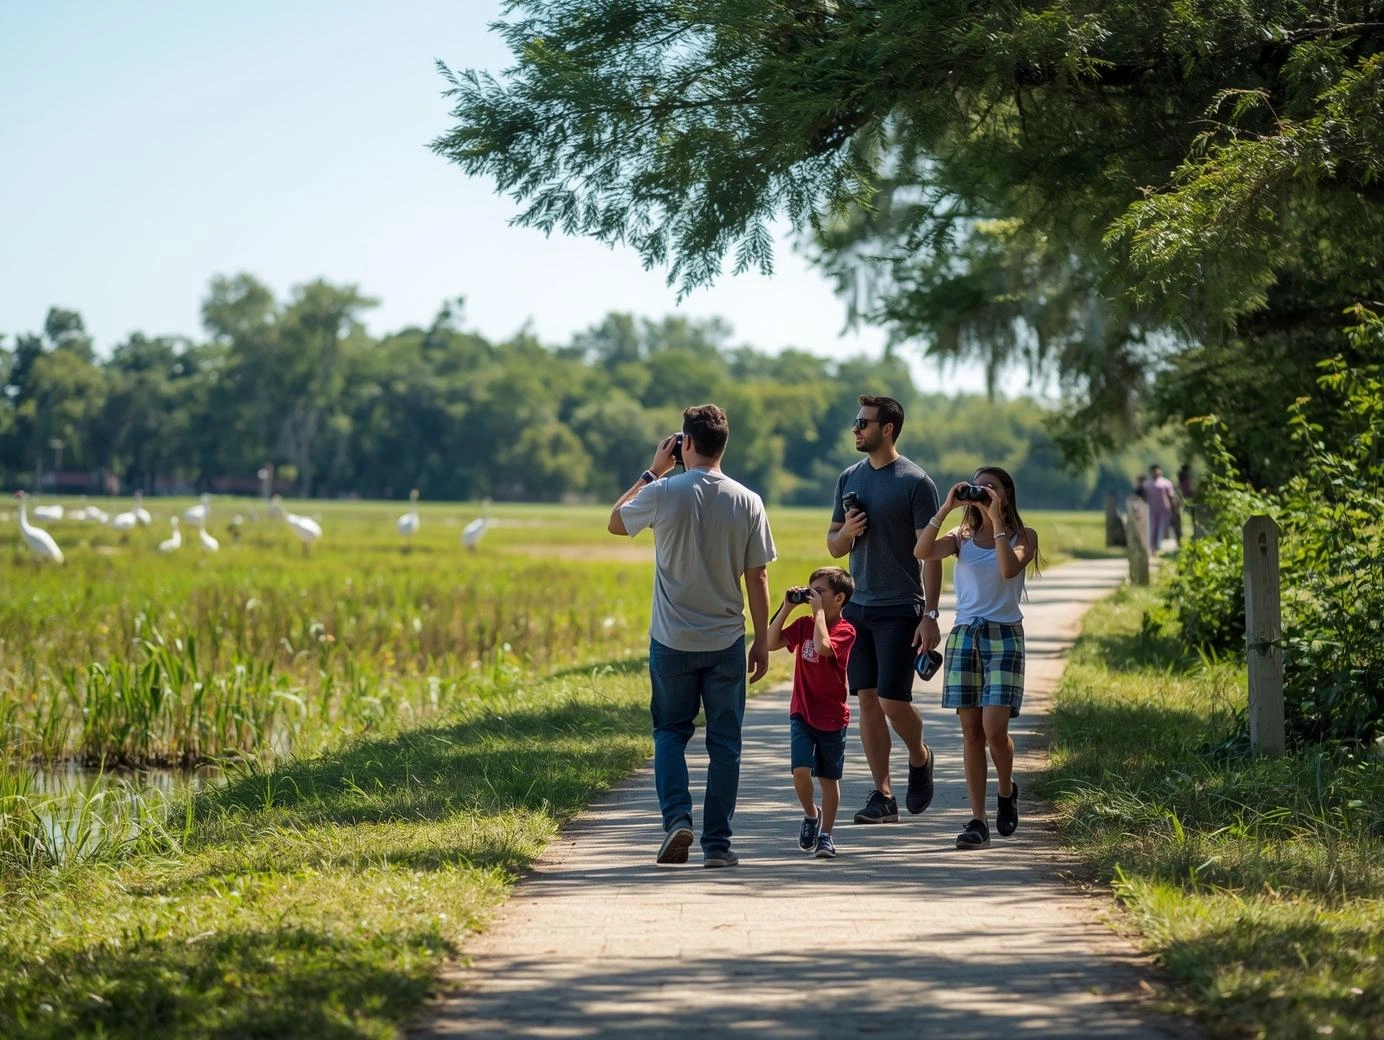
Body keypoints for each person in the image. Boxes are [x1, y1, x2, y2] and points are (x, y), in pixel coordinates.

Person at [608, 403, 776, 869]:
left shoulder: (663, 491)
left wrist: (651, 471)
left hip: (671, 639)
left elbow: (616, 522)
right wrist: (761, 640)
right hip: (725, 641)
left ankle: (676, 819)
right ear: (725, 444)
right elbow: (757, 578)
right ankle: (717, 845)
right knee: (725, 743)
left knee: (669, 732)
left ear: (684, 443)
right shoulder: (747, 500)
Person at [827, 395, 943, 825]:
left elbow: (930, 555)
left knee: (894, 700)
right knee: (868, 701)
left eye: (863, 423)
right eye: (855, 422)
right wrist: (849, 532)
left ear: (887, 429)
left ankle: (920, 754)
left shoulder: (915, 482)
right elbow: (834, 543)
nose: (856, 429)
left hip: (900, 605)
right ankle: (883, 794)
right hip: (857, 605)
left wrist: (930, 615)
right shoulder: (849, 478)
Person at [914, 466, 1040, 850]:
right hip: (966, 636)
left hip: (1004, 637)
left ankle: (1006, 791)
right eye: (979, 487)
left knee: (994, 729)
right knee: (971, 733)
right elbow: (921, 551)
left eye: (992, 488)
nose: (983, 492)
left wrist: (996, 518)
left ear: (1006, 494)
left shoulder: (1024, 536)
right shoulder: (960, 538)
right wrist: (948, 507)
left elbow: (1007, 568)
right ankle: (977, 821)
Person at [766, 566, 857, 860]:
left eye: (819, 592)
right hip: (802, 712)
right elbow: (770, 642)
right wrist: (786, 607)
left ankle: (827, 836)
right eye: (810, 591)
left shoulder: (846, 630)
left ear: (839, 598)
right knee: (801, 772)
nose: (812, 596)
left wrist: (818, 613)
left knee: (828, 780)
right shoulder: (804, 623)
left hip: (832, 718)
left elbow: (823, 646)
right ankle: (810, 813)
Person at [1145, 464, 1177, 553]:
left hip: (1164, 509)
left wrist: (1173, 509)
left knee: (1162, 528)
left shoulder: (1166, 483)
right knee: (1153, 528)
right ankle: (1152, 547)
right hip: (1152, 509)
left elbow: (1171, 497)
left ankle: (1158, 547)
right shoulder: (1147, 484)